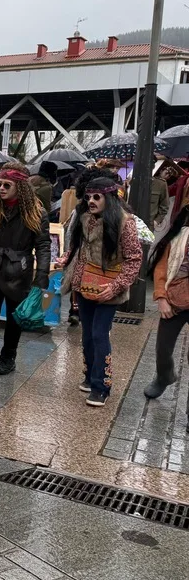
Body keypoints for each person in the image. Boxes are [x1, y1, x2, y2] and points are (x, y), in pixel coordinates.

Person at [60, 173, 142, 407]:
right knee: (87, 335)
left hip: (109, 288)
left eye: (97, 197)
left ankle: (101, 386)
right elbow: (77, 246)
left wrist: (116, 286)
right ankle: (89, 376)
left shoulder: (125, 222)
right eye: (88, 197)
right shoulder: (83, 217)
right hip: (84, 283)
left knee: (99, 334)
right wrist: (67, 258)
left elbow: (134, 259)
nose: (91, 201)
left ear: (110, 197)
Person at [0, 162, 50, 377]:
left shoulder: (36, 212)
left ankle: (8, 359)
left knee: (15, 321)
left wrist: (41, 276)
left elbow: (43, 245)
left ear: (20, 186)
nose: (1, 188)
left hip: (19, 271)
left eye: (7, 184)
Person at [147, 188, 189, 402]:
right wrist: (161, 297)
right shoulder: (179, 236)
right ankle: (164, 376)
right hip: (174, 300)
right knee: (162, 350)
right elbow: (161, 268)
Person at [149, 161, 171, 229]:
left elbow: (165, 206)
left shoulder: (161, 184)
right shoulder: (134, 181)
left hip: (149, 223)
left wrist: (157, 221)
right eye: (166, 173)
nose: (167, 176)